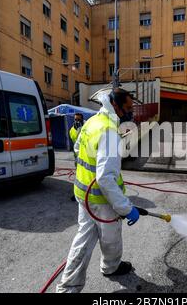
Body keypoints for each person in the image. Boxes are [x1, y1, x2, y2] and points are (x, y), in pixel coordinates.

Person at [57, 88, 139, 293]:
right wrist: (125, 208)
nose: (131, 113)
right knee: (111, 238)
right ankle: (111, 268)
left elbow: (78, 149)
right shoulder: (109, 132)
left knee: (83, 238)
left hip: (83, 193)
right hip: (102, 202)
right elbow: (105, 178)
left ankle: (68, 289)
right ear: (116, 106)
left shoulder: (93, 121)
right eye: (128, 108)